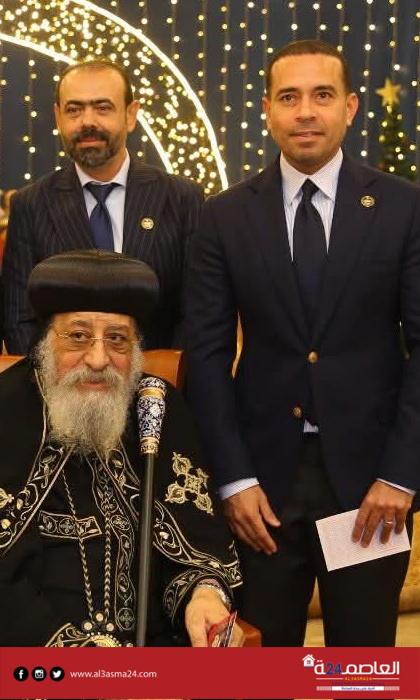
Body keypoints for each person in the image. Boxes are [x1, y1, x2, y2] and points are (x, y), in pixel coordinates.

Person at [186, 39, 420, 647]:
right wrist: (233, 480)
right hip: (262, 493)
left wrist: (400, 476)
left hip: (370, 491)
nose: (306, 112)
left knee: (361, 668)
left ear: (350, 106)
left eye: (322, 95)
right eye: (289, 97)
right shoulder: (224, 217)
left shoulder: (404, 208)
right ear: (267, 109)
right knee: (261, 666)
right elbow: (205, 355)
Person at [0, 249, 242, 647]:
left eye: (117, 339)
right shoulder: (7, 411)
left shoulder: (156, 406)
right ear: (45, 341)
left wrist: (203, 596)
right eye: (78, 336)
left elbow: (197, 535)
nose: (98, 359)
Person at [2, 59, 203, 354]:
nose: (88, 122)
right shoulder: (30, 205)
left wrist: (161, 376)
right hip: (61, 381)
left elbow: (199, 310)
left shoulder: (182, 198)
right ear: (58, 117)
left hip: (160, 378)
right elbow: (19, 319)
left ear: (131, 115)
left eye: (103, 107)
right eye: (74, 109)